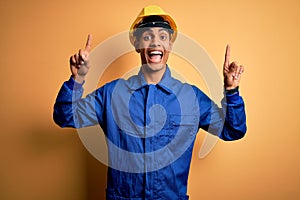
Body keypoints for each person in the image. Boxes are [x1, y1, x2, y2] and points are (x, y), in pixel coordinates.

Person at [53, 5, 247, 200]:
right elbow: (65, 116)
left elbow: (233, 130)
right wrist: (76, 80)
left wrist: (231, 91)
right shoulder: (112, 94)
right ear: (137, 44)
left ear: (170, 45)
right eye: (147, 37)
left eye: (163, 37)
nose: (155, 42)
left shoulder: (191, 97)